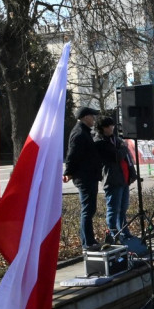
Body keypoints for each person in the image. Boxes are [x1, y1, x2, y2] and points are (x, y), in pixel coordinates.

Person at [64, 106, 103, 250]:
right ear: (86, 117)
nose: (94, 119)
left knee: (90, 209)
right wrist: (68, 172)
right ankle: (87, 242)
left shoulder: (85, 132)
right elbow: (72, 155)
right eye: (92, 116)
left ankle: (89, 240)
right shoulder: (79, 133)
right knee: (87, 210)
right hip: (85, 177)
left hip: (89, 175)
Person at [94, 116, 137, 242]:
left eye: (112, 125)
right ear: (102, 128)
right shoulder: (100, 141)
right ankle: (112, 233)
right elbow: (116, 156)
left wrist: (132, 174)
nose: (111, 128)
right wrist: (123, 147)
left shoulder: (116, 139)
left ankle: (124, 231)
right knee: (113, 208)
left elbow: (126, 157)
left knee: (123, 208)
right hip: (112, 179)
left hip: (124, 178)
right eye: (108, 126)